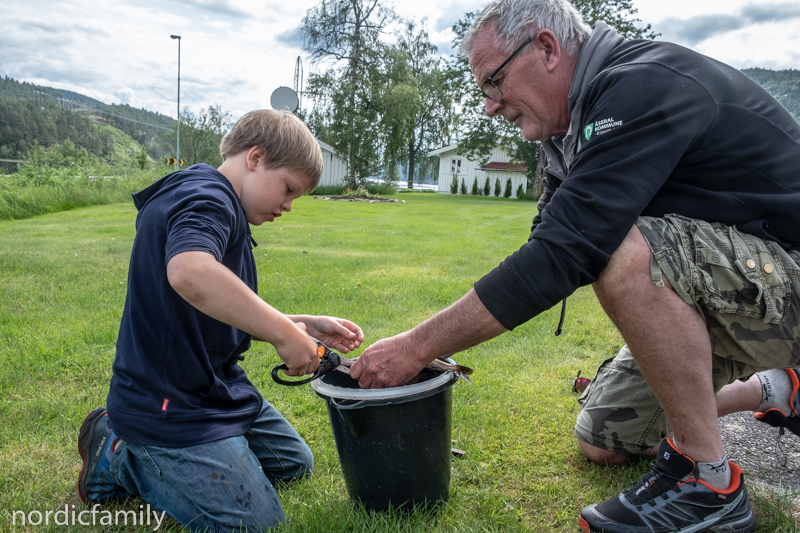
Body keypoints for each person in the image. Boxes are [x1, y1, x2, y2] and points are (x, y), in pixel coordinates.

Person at [349, 0, 800, 531]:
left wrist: (416, 346)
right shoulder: (568, 136)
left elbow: (570, 249)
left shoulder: (641, 84)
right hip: (738, 292)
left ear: (546, 48)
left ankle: (708, 483)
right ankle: (777, 389)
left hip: (786, 277)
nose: (491, 106)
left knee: (616, 248)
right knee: (603, 437)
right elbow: (543, 246)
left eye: (494, 82)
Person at [77, 109, 364, 532]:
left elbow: (213, 308)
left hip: (211, 386)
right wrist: (284, 335)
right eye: (288, 189)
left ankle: (186, 450)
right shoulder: (208, 196)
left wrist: (303, 322)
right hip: (166, 403)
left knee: (294, 463)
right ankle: (117, 456)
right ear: (255, 158)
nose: (287, 206)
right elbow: (190, 272)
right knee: (257, 525)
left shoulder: (216, 199)